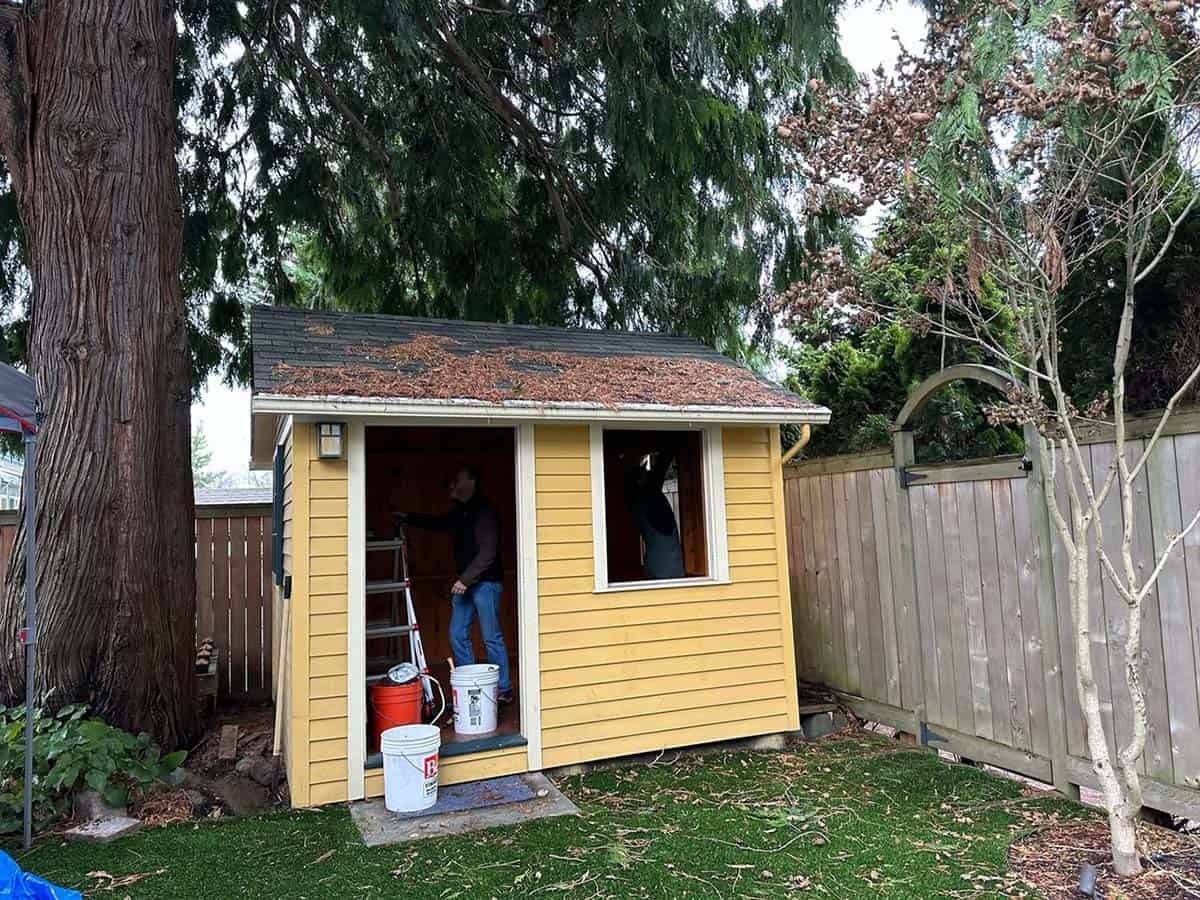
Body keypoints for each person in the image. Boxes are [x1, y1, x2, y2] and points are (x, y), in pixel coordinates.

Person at [398, 466, 513, 704]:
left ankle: (503, 689)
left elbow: (488, 553)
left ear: (471, 481)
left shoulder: (484, 511)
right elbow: (439, 524)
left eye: (456, 479)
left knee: (491, 637)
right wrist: (408, 518)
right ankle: (471, 685)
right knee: (457, 634)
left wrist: (465, 580)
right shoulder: (461, 511)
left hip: (486, 583)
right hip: (467, 584)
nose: (451, 484)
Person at [624, 444, 686, 580]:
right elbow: (662, 465)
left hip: (657, 570)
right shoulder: (648, 495)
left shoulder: (637, 503)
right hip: (672, 569)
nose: (648, 472)